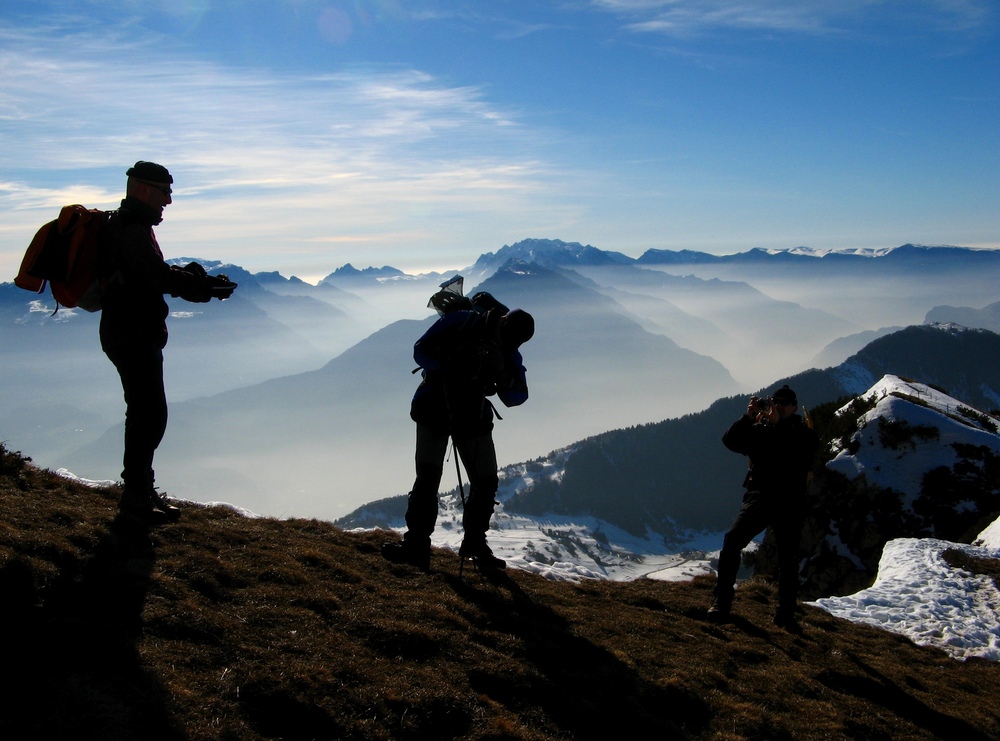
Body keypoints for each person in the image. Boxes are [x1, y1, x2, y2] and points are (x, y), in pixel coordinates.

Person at [100, 161, 236, 525]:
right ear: (143, 188)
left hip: (123, 330)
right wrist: (206, 287)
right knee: (149, 415)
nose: (169, 200)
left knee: (144, 413)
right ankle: (136, 498)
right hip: (133, 333)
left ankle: (139, 492)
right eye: (165, 192)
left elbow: (143, 276)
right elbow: (154, 276)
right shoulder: (132, 228)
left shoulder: (125, 224)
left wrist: (194, 278)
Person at [382, 285, 534, 572]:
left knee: (459, 480)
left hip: (438, 407)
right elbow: (419, 350)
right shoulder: (467, 321)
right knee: (459, 480)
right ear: (502, 321)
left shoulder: (494, 338)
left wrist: (490, 369)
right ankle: (443, 545)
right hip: (456, 411)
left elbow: (517, 396)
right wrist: (465, 367)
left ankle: (423, 546)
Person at [709, 384, 819, 631]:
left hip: (790, 501)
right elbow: (731, 441)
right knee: (732, 542)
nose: (778, 406)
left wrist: (777, 424)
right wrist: (747, 419)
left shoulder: (803, 433)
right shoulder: (761, 429)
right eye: (774, 402)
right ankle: (721, 603)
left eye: (783, 402)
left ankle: (786, 614)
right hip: (760, 496)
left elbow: (803, 450)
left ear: (793, 406)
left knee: (788, 559)